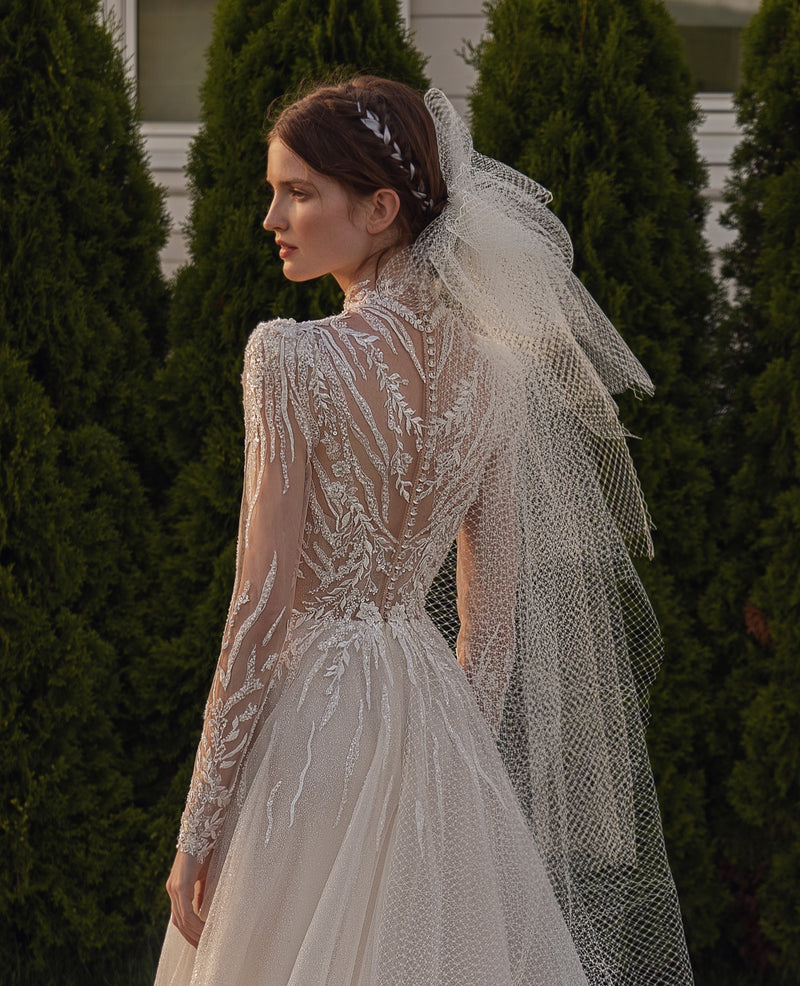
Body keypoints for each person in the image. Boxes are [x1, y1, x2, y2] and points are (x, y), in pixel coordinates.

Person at [155, 76, 693, 986]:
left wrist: (199, 826)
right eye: (273, 192)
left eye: (297, 191)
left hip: (316, 728)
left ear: (379, 207)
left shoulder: (290, 357)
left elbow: (260, 603)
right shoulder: (496, 373)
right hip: (433, 722)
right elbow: (491, 618)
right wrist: (455, 768)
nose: (272, 217)